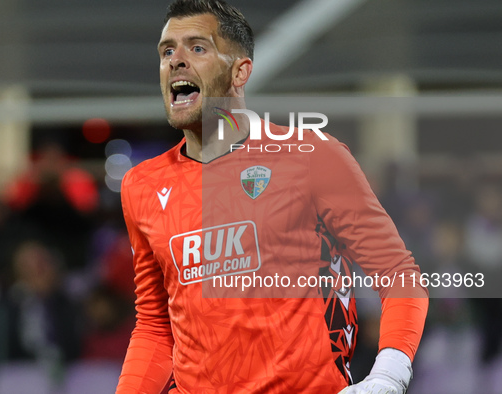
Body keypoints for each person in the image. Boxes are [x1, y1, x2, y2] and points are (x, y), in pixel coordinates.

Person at [116, 1, 428, 393]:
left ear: (240, 71)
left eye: (197, 48)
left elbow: (397, 273)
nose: (176, 61)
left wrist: (389, 375)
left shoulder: (313, 157)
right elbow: (155, 325)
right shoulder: (141, 185)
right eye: (167, 51)